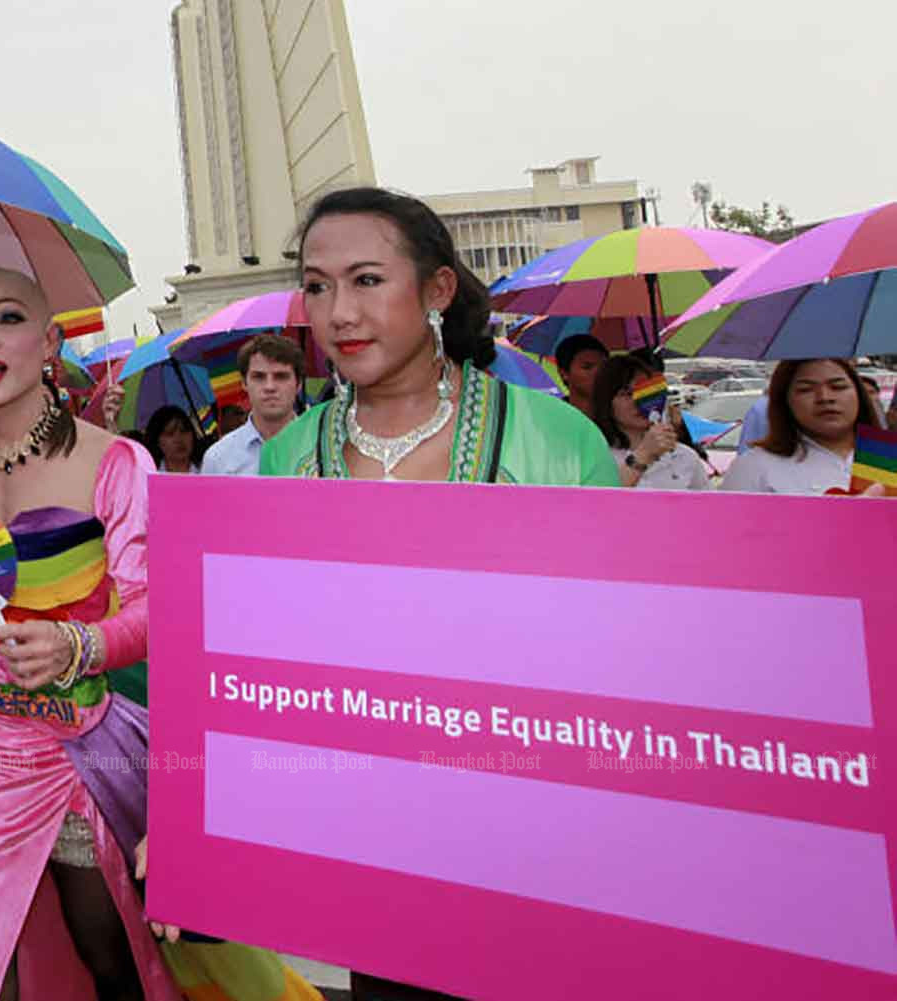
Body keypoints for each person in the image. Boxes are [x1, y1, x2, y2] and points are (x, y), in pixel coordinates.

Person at [0, 267, 321, 1001]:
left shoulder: (113, 460)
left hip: (76, 752)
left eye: (8, 317)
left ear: (51, 341)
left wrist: (76, 646)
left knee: (112, 953)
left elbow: (158, 612)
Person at [259, 187, 618, 1000]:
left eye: (365, 280)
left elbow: (619, 655)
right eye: (316, 286)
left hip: (540, 839)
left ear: (438, 291)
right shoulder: (287, 463)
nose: (338, 312)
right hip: (373, 843)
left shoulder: (555, 442)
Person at [719, 359, 876, 494]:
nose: (825, 398)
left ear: (859, 394)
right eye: (805, 390)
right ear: (785, 401)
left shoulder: (885, 456)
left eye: (838, 387)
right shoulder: (755, 466)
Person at [591, 356, 709, 490]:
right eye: (627, 394)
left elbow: (708, 507)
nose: (639, 402)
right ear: (606, 401)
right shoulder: (594, 455)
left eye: (646, 392)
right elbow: (600, 502)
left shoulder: (685, 457)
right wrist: (644, 454)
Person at [201, 334, 302, 476]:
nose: (270, 387)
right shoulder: (218, 458)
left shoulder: (324, 449)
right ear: (244, 383)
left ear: (299, 384)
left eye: (281, 376)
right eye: (259, 377)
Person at [555, 333, 608, 416]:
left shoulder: (622, 417)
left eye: (604, 366)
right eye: (587, 367)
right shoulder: (552, 416)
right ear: (564, 373)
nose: (599, 373)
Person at [144, 405, 201, 473]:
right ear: (157, 441)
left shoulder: (207, 471)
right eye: (170, 433)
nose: (179, 439)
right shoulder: (148, 476)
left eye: (184, 431)